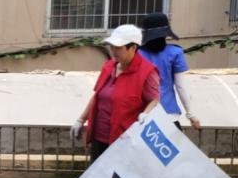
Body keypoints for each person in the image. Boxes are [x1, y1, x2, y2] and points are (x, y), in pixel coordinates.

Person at [71, 24, 160, 163]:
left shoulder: (147, 71)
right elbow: (97, 96)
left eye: (118, 47)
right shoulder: (108, 67)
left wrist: (146, 114)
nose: (113, 51)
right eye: (111, 46)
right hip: (98, 137)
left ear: (133, 47)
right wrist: (81, 120)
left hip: (124, 140)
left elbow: (154, 99)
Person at [139, 12, 201, 131]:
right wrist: (190, 114)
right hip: (169, 113)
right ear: (165, 33)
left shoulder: (137, 54)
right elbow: (180, 86)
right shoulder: (175, 52)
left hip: (142, 113)